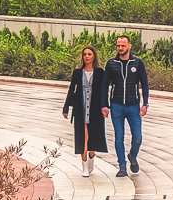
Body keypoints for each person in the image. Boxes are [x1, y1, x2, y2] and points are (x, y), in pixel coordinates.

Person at [103, 35, 150, 177]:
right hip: (116, 105)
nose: (120, 48)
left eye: (123, 45)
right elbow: (104, 85)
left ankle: (132, 155)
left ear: (129, 46)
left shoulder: (137, 63)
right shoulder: (112, 63)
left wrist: (145, 104)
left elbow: (145, 84)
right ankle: (122, 166)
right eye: (118, 46)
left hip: (133, 105)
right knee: (119, 136)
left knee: (137, 136)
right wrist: (104, 105)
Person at [62, 45, 108, 177]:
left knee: (94, 137)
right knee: (83, 137)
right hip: (80, 108)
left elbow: (103, 91)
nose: (86, 56)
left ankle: (91, 159)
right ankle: (84, 167)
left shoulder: (100, 72)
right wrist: (66, 108)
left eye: (89, 54)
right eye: (84, 54)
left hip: (95, 109)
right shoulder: (77, 72)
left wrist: (106, 107)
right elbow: (72, 89)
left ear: (94, 56)